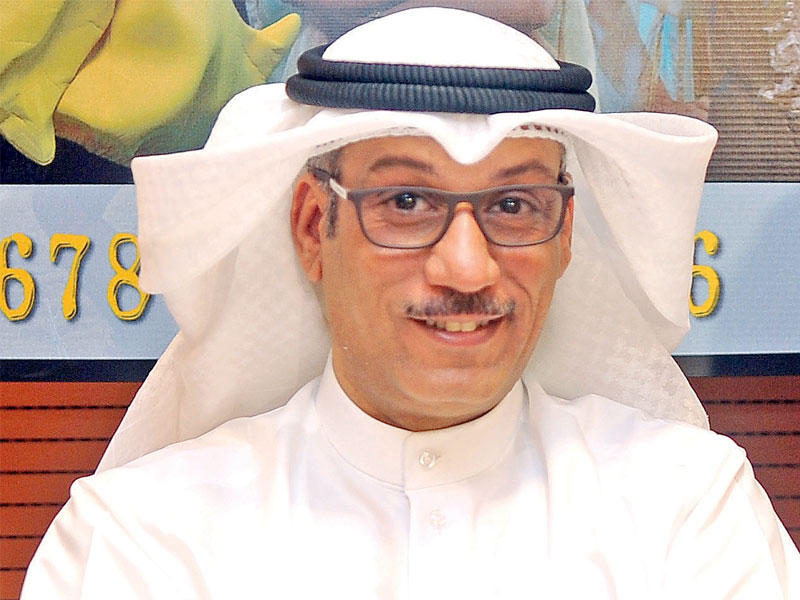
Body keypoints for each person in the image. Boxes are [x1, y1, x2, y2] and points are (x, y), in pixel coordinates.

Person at [21, 8, 799, 599]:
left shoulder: (687, 510)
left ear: (565, 238)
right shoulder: (144, 543)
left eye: (514, 206)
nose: (467, 268)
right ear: (312, 227)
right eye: (405, 201)